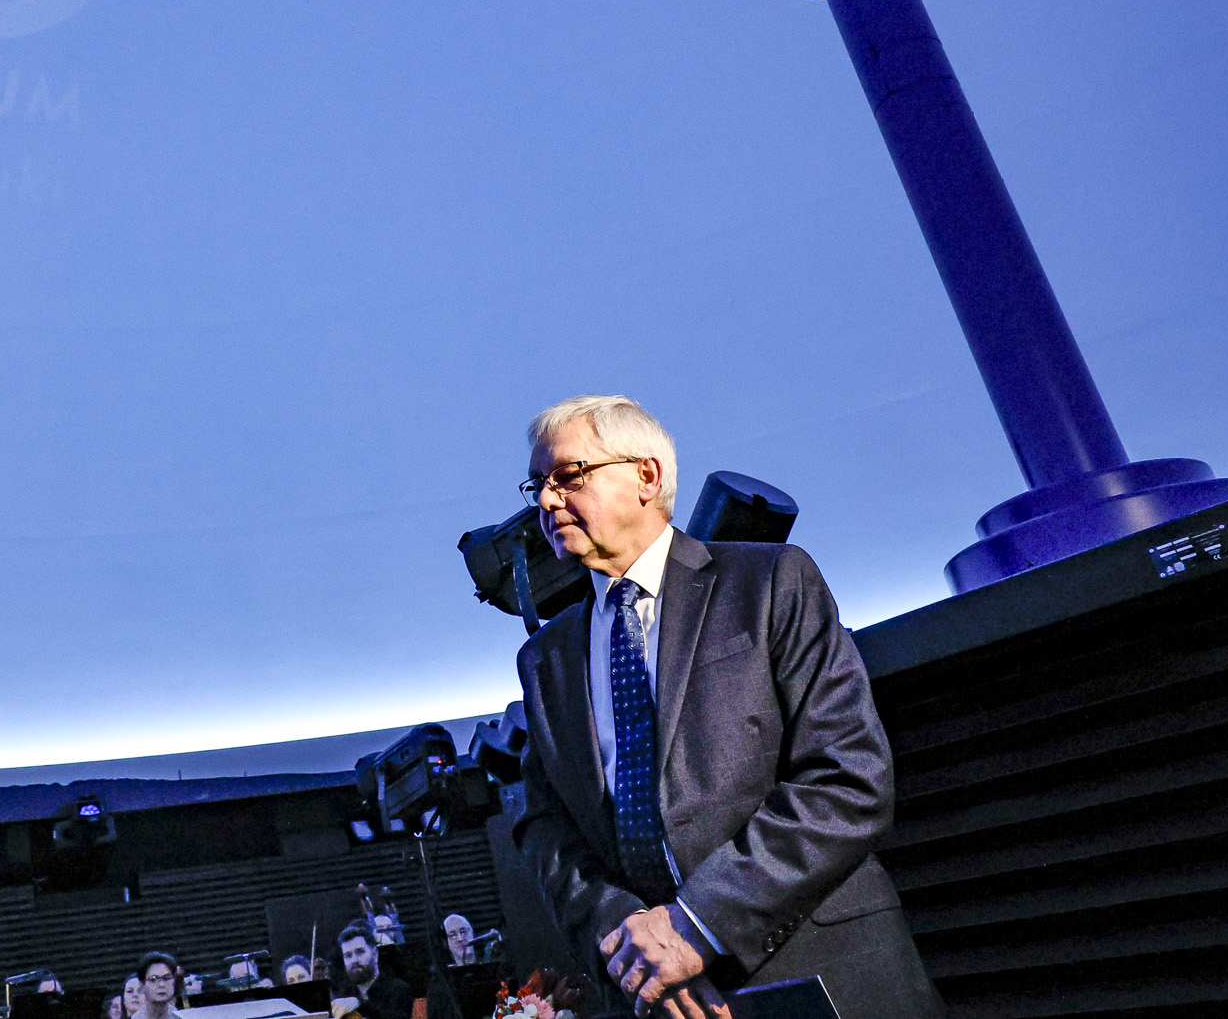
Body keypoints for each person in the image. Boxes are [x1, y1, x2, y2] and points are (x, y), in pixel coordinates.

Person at [510, 396, 943, 1018]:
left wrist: (696, 925)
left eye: (569, 476)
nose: (547, 502)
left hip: (826, 971)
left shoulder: (770, 582)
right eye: (539, 486)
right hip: (663, 997)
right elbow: (545, 830)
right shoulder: (543, 660)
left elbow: (848, 777)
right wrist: (633, 945)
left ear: (646, 476)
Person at [336, 923, 413, 1019]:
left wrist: (359, 1003)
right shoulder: (344, 994)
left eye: (360, 952)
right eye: (348, 956)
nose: (354, 960)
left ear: (375, 954)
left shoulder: (398, 990)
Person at [136, 954, 183, 1019]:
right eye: (153, 979)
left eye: (167, 978)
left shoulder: (181, 1016)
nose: (161, 984)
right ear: (141, 986)